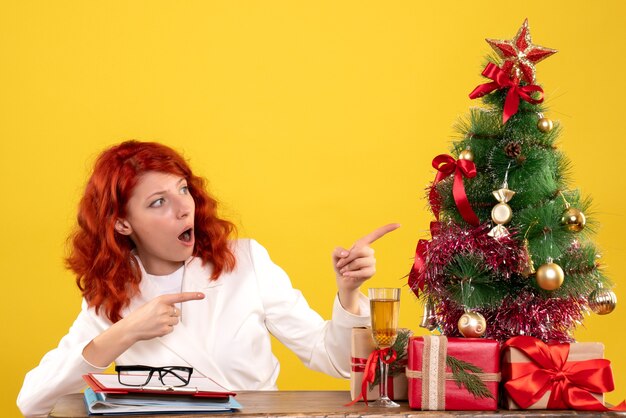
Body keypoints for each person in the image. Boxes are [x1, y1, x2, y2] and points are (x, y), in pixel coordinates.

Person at [17, 140, 399, 417]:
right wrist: (125, 332)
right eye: (158, 202)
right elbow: (33, 402)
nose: (185, 208)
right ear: (121, 222)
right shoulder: (114, 296)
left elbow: (333, 360)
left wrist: (348, 294)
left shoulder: (246, 261)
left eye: (183, 189)